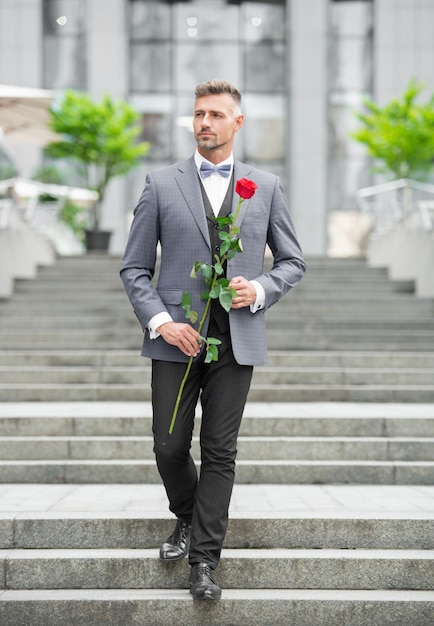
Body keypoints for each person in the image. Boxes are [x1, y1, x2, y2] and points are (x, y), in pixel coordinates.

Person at [120, 78, 306, 601]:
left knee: (220, 451)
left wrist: (262, 287)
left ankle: (204, 560)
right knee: (168, 445)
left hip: (236, 338)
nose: (205, 123)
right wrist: (161, 322)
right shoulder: (160, 184)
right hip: (176, 339)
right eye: (199, 114)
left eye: (216, 115)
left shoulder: (265, 187)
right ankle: (186, 514)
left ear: (237, 123)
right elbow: (134, 268)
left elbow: (293, 261)